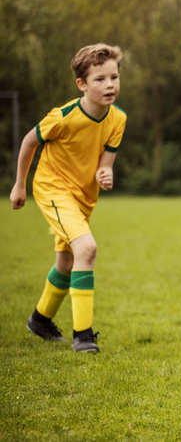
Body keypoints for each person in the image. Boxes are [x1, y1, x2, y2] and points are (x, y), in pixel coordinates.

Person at [9, 43, 127, 354]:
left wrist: (106, 174)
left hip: (83, 197)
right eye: (100, 79)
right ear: (82, 84)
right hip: (52, 190)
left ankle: (40, 320)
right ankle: (83, 336)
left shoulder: (118, 119)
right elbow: (28, 142)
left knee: (67, 262)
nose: (110, 85)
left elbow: (105, 163)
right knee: (87, 248)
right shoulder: (62, 117)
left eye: (114, 77)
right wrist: (19, 185)